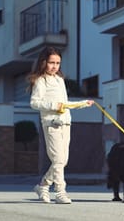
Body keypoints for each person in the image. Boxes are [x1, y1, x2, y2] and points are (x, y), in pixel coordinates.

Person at [28, 46, 94, 204]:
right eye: (51, 62)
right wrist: (53, 106)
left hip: (66, 123)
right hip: (51, 124)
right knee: (58, 160)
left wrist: (83, 104)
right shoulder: (40, 80)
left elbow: (64, 104)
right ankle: (60, 192)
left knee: (62, 161)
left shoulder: (59, 80)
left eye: (58, 63)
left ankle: (43, 186)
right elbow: (34, 103)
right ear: (44, 62)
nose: (55, 66)